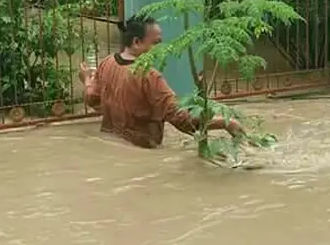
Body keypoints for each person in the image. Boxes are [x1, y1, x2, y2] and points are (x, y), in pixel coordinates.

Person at [79, 15, 244, 148]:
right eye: (156, 43)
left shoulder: (107, 63)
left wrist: (87, 79)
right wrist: (226, 123)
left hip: (111, 145)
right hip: (142, 151)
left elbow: (92, 99)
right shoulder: (149, 76)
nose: (162, 48)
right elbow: (182, 120)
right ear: (137, 42)